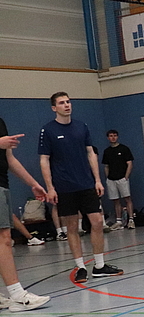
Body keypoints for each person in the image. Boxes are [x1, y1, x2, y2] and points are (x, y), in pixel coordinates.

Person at [38, 93, 123, 283]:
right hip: (64, 186)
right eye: (62, 103)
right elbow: (44, 160)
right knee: (72, 227)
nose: (67, 105)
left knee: (97, 222)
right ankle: (80, 267)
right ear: (54, 108)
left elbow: (90, 153)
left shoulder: (81, 126)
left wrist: (97, 180)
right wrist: (50, 187)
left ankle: (99, 266)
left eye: (68, 102)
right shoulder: (48, 130)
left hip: (86, 184)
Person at [0, 120, 51, 311]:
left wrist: (33, 183)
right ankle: (17, 295)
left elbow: (10, 159)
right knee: (4, 238)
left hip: (2, 184)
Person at [102, 129, 135, 230]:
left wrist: (126, 177)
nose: (113, 137)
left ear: (117, 137)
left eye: (115, 135)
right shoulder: (107, 151)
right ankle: (119, 221)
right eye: (111, 136)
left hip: (122, 178)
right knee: (116, 200)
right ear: (108, 138)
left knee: (127, 199)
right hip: (111, 179)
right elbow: (106, 166)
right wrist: (108, 178)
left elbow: (129, 164)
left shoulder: (124, 149)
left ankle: (131, 220)